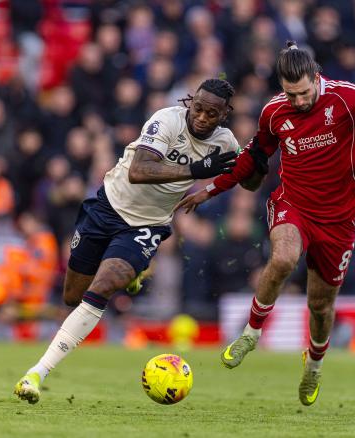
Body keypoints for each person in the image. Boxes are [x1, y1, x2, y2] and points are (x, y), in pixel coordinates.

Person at [177, 42, 355, 406]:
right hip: (294, 203)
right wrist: (210, 190)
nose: (299, 102)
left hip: (338, 219)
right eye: (291, 94)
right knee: (284, 258)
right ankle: (251, 334)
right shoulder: (273, 111)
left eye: (304, 93)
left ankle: (314, 365)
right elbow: (252, 159)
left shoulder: (348, 98)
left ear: (316, 78)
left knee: (320, 306)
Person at [14, 78, 244, 404]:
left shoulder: (226, 142)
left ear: (224, 114)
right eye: (198, 109)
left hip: (147, 224)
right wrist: (196, 169)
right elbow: (139, 170)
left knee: (103, 287)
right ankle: (132, 273)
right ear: (189, 103)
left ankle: (37, 372)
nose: (203, 117)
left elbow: (246, 175)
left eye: (212, 113)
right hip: (107, 207)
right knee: (73, 296)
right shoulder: (166, 120)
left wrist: (253, 164)